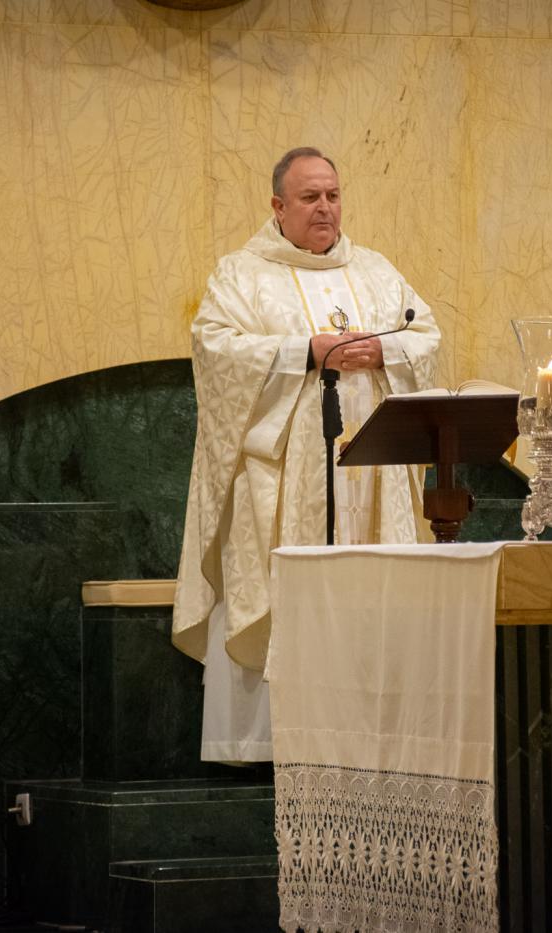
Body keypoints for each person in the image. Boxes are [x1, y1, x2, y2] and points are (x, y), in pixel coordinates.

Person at [173, 147, 441, 762]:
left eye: (333, 196)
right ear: (278, 206)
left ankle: (369, 742)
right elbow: (214, 351)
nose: (325, 208)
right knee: (282, 592)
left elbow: (425, 336)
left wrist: (385, 354)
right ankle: (272, 745)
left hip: (374, 471)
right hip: (281, 475)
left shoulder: (376, 271)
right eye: (310, 198)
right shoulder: (241, 274)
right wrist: (304, 351)